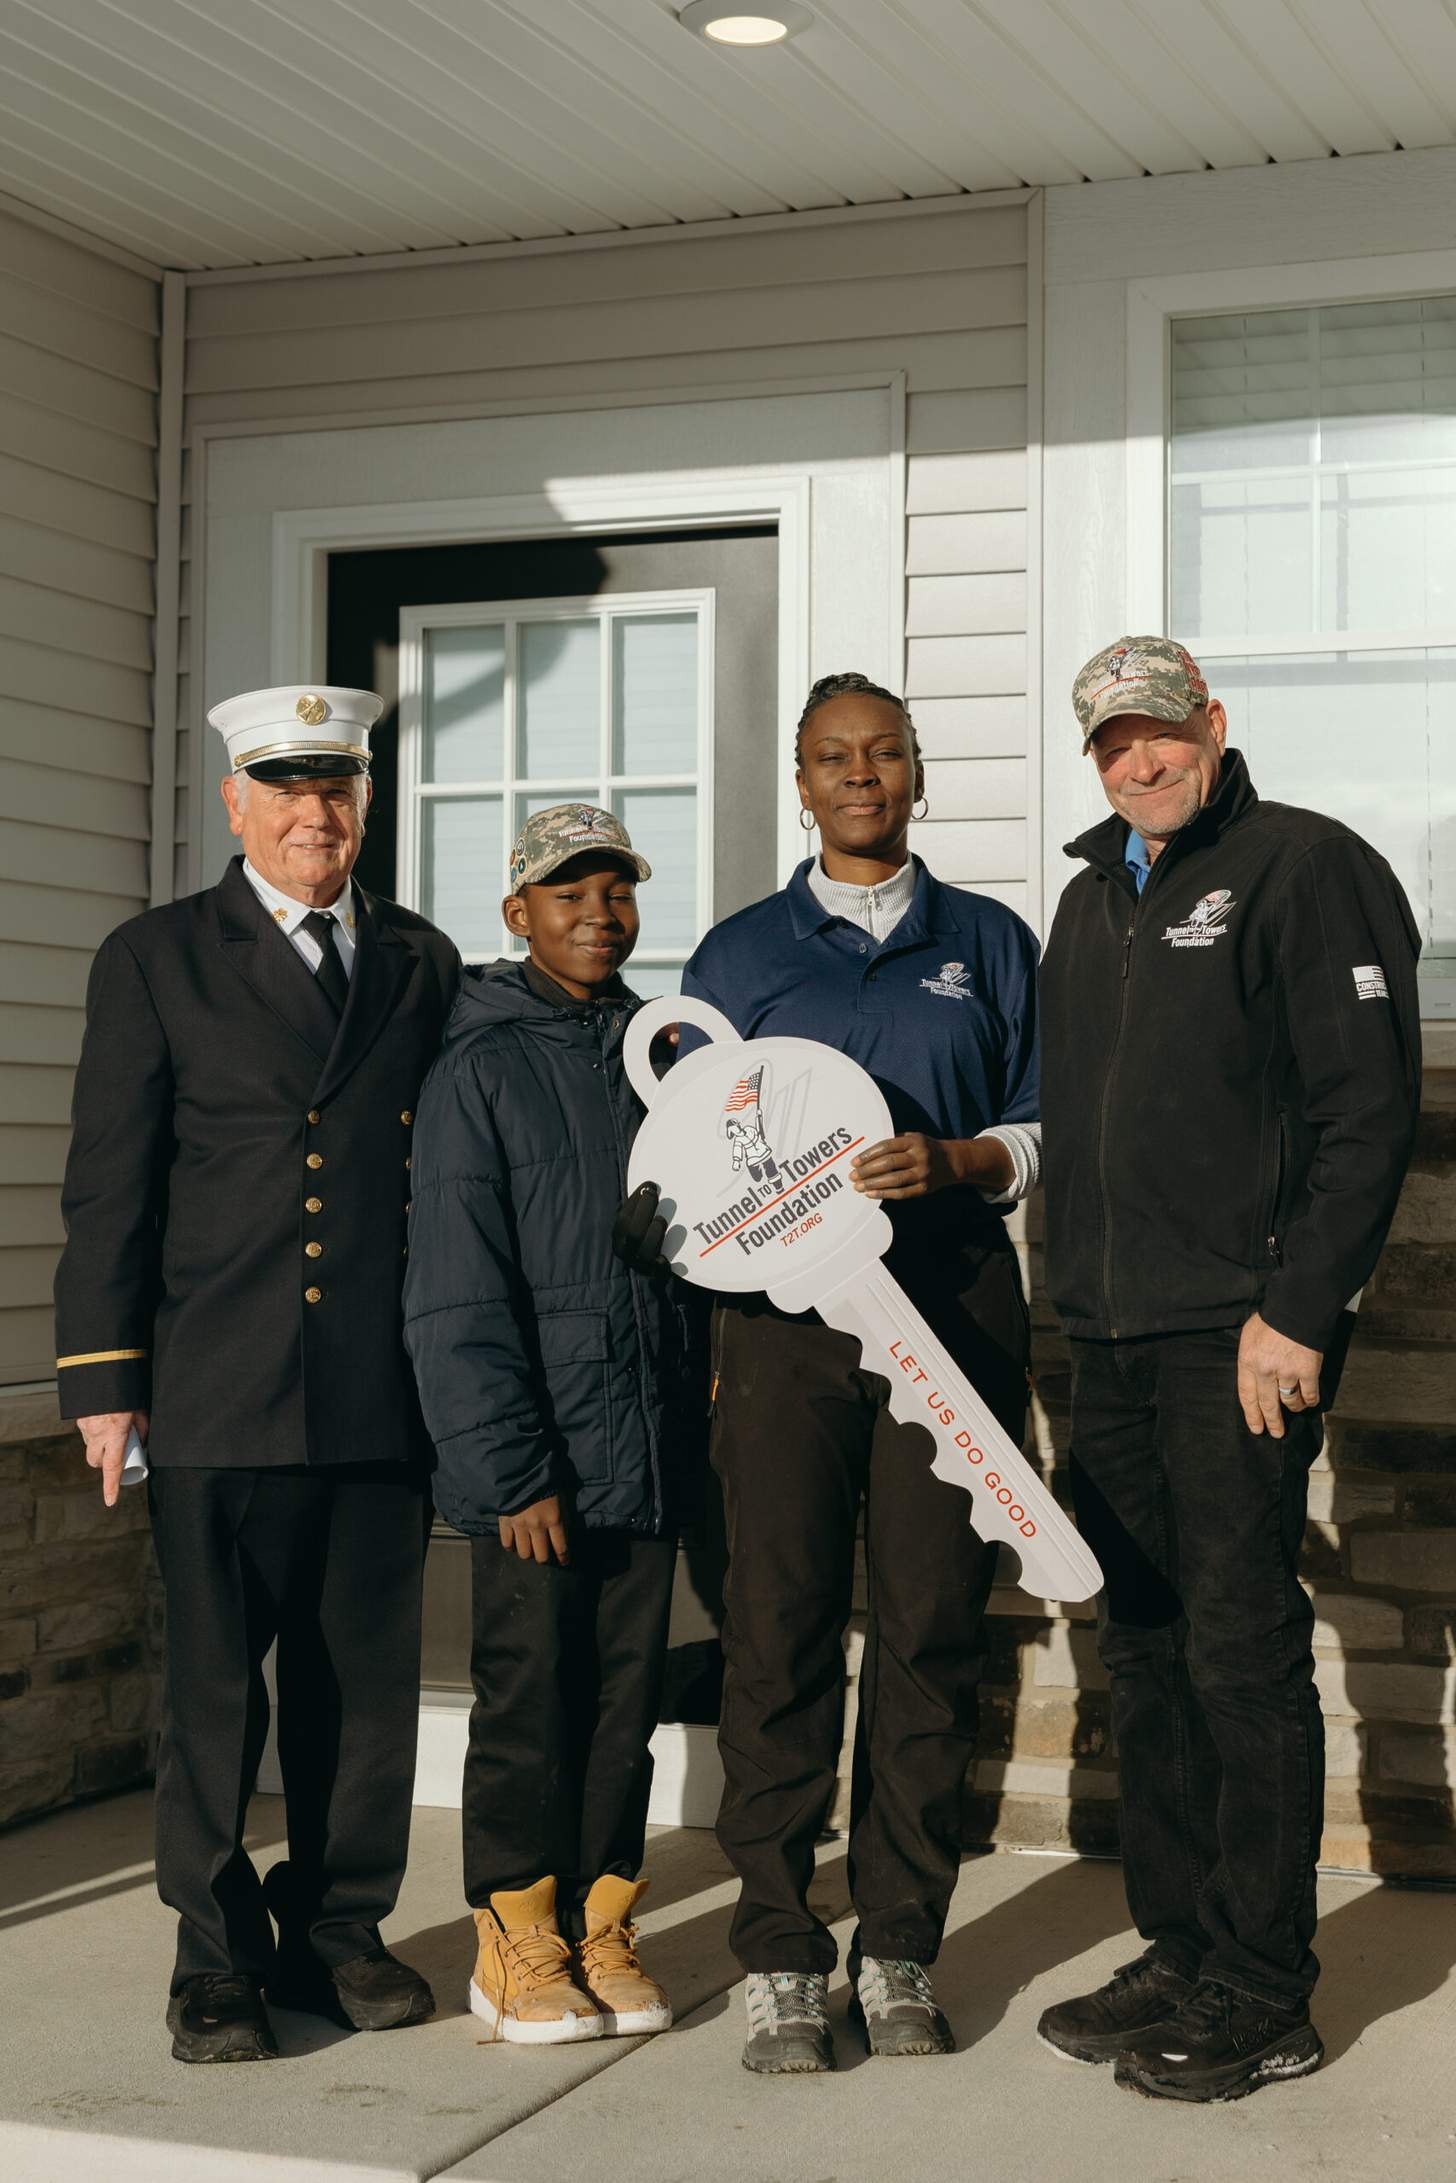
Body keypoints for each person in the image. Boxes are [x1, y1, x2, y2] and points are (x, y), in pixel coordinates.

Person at [622, 671, 1042, 2073]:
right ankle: (783, 1949)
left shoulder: (989, 940)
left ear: (916, 772)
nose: (860, 776)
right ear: (798, 783)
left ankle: (903, 1941)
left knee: (931, 1625)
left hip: (956, 1312)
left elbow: (1047, 1122)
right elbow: (691, 1151)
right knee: (781, 1620)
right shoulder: (740, 951)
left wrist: (968, 1158)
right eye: (831, 758)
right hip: (787, 1333)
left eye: (883, 753)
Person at [1036, 637, 1421, 2103]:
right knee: (1144, 1645)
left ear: (1212, 722)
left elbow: (1364, 1111)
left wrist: (1300, 1309)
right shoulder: (1088, 899)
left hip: (1238, 1337)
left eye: (1161, 731)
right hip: (1113, 1338)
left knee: (1241, 1650)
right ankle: (1183, 1940)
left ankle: (1266, 1988)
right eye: (1113, 741)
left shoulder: (1301, 867)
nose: (1141, 760)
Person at [54, 686, 460, 2064]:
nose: (314, 813)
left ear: (362, 802)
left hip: (373, 1389)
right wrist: (105, 1380)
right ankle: (215, 1955)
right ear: (234, 801)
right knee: (215, 1692)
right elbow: (110, 1184)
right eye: (284, 787)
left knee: (362, 1692)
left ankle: (337, 1931)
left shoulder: (418, 956)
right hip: (213, 1383)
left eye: (336, 787)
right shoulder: (158, 956)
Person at [402, 804, 704, 2047]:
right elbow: (456, 1290)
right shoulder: (478, 1065)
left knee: (623, 1696)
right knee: (530, 1698)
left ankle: (599, 1918)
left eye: (617, 891)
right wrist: (508, 1468)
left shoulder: (662, 1053)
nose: (598, 913)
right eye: (567, 893)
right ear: (517, 911)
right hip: (538, 1458)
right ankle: (512, 1934)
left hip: (645, 1439)